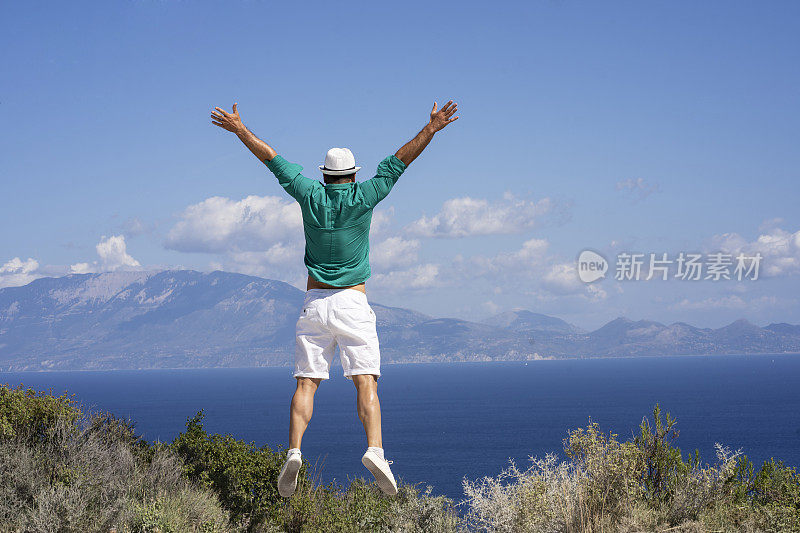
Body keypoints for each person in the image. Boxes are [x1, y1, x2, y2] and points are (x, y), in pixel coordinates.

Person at [210, 100, 459, 497]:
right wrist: (431, 128)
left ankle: (294, 451)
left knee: (306, 383)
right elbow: (398, 162)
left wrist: (240, 129)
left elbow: (272, 159)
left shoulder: (309, 193)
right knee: (365, 381)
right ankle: (375, 451)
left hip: (314, 304)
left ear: (325, 175)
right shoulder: (365, 196)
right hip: (352, 304)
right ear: (352, 175)